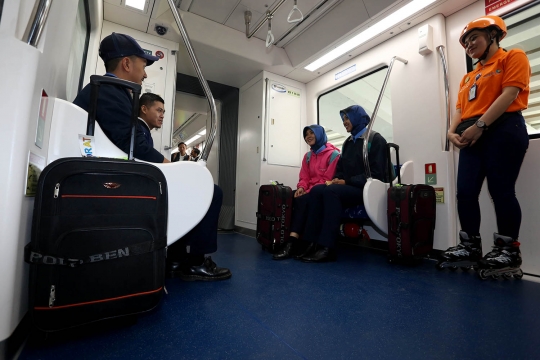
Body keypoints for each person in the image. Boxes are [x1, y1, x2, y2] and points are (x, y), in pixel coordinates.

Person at [439, 16, 530, 278]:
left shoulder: (513, 57)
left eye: (473, 38)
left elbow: (509, 94)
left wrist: (479, 126)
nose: (468, 44)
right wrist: (450, 132)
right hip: (471, 135)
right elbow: (459, 109)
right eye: (465, 42)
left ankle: (508, 250)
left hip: (503, 129)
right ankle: (470, 247)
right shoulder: (468, 77)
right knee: (465, 193)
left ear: (493, 35)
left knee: (501, 191)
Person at [298, 105, 388, 262]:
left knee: (330, 192)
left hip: (368, 189)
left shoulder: (375, 140)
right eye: (343, 119)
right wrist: (336, 179)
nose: (344, 122)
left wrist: (346, 181)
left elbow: (377, 174)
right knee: (317, 190)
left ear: (357, 118)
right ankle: (310, 243)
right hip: (350, 187)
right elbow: (341, 169)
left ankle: (328, 247)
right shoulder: (348, 143)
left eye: (347, 118)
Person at [73, 32, 168, 163]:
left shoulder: (108, 89)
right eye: (144, 67)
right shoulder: (109, 92)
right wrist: (172, 167)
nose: (145, 75)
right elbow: (135, 145)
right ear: (127, 64)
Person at [272, 125, 340, 260]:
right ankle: (290, 240)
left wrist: (307, 191)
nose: (308, 136)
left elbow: (327, 179)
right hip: (310, 190)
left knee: (303, 199)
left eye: (311, 133)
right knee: (292, 196)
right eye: (306, 134)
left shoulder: (334, 155)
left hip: (324, 191)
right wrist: (302, 187)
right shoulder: (308, 156)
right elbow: (304, 177)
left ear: (320, 134)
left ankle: (294, 243)